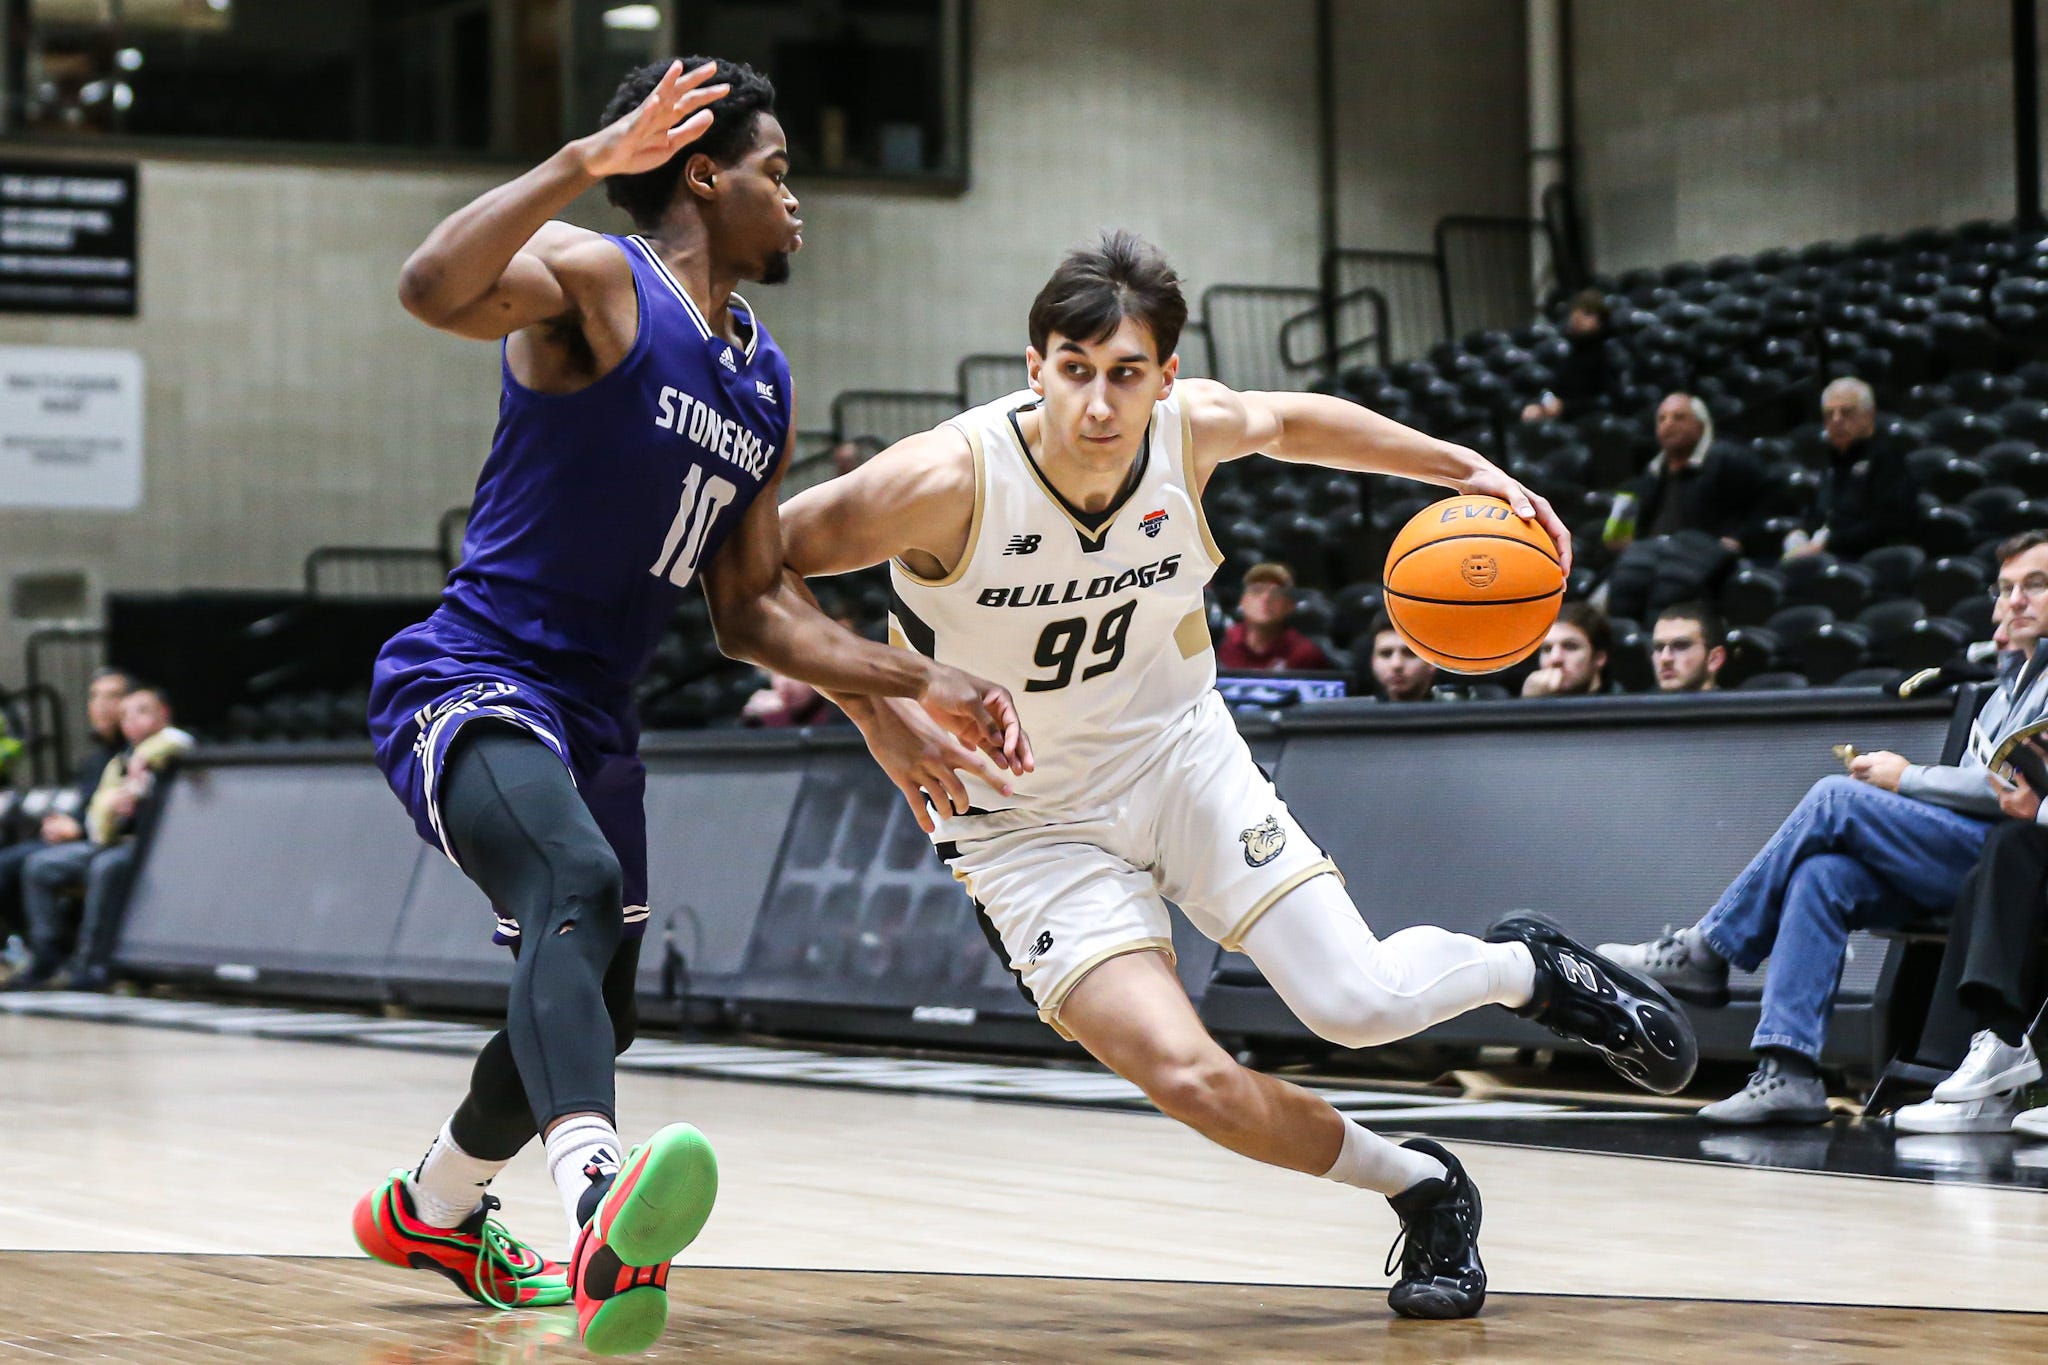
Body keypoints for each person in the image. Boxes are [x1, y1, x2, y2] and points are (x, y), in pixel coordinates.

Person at [777, 232, 1697, 1322]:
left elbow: (1299, 420)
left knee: (1356, 1005)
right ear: (1034, 367)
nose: (1098, 404)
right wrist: (877, 712)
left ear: (1164, 377)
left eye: (1126, 374)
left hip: (1177, 756)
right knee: (1190, 1079)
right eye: (1074, 371)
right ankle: (1422, 1183)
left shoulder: (1188, 428)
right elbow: (748, 571)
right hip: (1020, 826)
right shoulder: (940, 480)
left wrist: (1462, 468)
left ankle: (1524, 970)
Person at [353, 58, 1027, 1355]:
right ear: (704, 177)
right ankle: (598, 1202)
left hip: (599, 715)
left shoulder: (761, 383)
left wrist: (918, 674)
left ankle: (434, 1206)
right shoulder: (603, 283)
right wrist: (578, 163)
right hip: (474, 674)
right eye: (779, 173)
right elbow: (429, 286)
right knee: (572, 872)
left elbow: (752, 610)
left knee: (603, 1009)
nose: (797, 202)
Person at [1600, 531, 2048, 1125]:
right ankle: (1788, 1073)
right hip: (1972, 856)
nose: (2014, 601)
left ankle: (1707, 948)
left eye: (2034, 585)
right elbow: (1985, 791)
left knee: (1835, 798)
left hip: (2017, 863)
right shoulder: (2003, 690)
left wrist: (1907, 777)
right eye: (2007, 588)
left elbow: (2015, 796)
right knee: (1821, 874)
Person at [16, 683, 190, 991]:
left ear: (164, 714)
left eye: (142, 712)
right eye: (125, 716)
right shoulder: (118, 763)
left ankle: (93, 962)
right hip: (113, 843)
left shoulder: (176, 752)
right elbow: (99, 825)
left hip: (159, 847)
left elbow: (179, 740)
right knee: (40, 864)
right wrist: (111, 811)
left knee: (106, 867)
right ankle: (48, 954)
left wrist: (143, 765)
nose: (131, 721)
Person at [0, 668, 129, 973]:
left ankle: (59, 954)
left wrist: (79, 827)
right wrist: (62, 822)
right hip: (82, 838)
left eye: (112, 696)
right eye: (94, 696)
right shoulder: (97, 757)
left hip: (108, 842)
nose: (101, 705)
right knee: (6, 863)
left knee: (36, 864)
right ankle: (35, 946)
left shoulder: (138, 753)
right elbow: (86, 805)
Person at [1601, 394, 1761, 623]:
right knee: (1622, 586)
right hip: (1650, 551)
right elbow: (1622, 533)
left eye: (1679, 417)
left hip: (1700, 551)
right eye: (1662, 419)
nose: (1668, 424)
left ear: (1702, 425)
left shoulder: (1729, 459)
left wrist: (1739, 537)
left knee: (1670, 584)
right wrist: (1622, 538)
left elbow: (1767, 502)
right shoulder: (1650, 473)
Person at [1784, 377, 1919, 561]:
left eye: (1847, 412)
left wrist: (1828, 544)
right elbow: (1821, 513)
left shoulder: (1888, 459)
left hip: (1861, 558)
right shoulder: (1831, 460)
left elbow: (1887, 524)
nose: (1836, 420)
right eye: (1829, 414)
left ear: (1869, 415)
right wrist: (1802, 533)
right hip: (1825, 554)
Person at [1520, 289, 1626, 423]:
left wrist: (1565, 407)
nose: (1577, 317)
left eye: (1587, 313)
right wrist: (1540, 406)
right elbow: (1554, 389)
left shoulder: (1609, 353)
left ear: (1601, 320)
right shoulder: (1571, 352)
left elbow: (1611, 400)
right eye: (1575, 311)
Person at [1217, 562, 1330, 671]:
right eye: (1257, 591)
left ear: (1290, 605)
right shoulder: (1221, 644)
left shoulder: (1306, 653)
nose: (1266, 599)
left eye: (1276, 593)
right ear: (1242, 602)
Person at [1521, 603, 1620, 697]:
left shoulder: (1622, 708)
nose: (1555, 658)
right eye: (1547, 649)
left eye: (1570, 647)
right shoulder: (1532, 694)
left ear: (1599, 658)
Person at [1352, 609, 1441, 703]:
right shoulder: (1355, 715)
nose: (1396, 664)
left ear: (1432, 662)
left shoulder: (1455, 713)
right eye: (1386, 654)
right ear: (1372, 661)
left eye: (1409, 653)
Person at [1651, 602, 1725, 693]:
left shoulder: (1740, 707)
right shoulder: (1637, 706)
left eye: (1680, 646)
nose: (1665, 658)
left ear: (1714, 659)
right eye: (1659, 648)